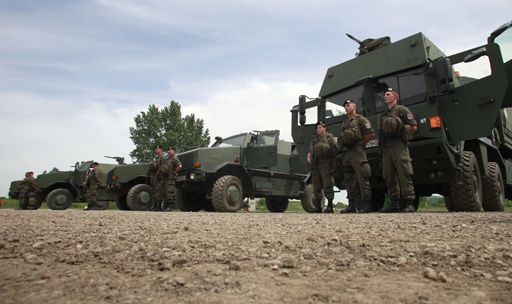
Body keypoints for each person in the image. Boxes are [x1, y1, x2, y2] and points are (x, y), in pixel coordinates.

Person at [379, 88, 417, 213]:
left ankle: (410, 202)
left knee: (404, 172)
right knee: (388, 175)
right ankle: (394, 203)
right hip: (387, 147)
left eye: (388, 94)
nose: (385, 96)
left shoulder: (402, 110)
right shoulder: (383, 115)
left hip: (399, 144)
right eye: (385, 95)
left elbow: (413, 127)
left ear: (395, 96)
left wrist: (400, 129)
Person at [338, 99, 375, 213]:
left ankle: (366, 204)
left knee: (362, 178)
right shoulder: (344, 122)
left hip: (358, 152)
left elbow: (370, 133)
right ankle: (351, 205)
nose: (346, 107)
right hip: (347, 153)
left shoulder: (360, 119)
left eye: (348, 105)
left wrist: (362, 144)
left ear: (354, 106)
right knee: (349, 180)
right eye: (345, 106)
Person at [307, 121, 338, 213]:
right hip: (316, 165)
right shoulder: (315, 140)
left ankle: (330, 206)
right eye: (317, 128)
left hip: (326, 164)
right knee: (316, 186)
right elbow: (311, 153)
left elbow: (335, 151)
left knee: (327, 184)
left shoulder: (330, 138)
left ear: (325, 128)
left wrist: (333, 165)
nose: (319, 129)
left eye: (320, 127)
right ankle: (318, 207)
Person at [161, 147, 182, 211]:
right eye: (168, 150)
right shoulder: (167, 159)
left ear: (174, 151)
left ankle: (170, 207)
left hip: (171, 178)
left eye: (171, 150)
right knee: (164, 191)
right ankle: (165, 206)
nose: (169, 151)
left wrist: (174, 172)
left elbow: (180, 166)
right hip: (165, 177)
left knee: (169, 191)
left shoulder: (174, 158)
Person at [148, 146, 166, 211]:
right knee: (154, 191)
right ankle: (155, 205)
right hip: (154, 177)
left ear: (161, 150)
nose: (156, 150)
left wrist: (159, 176)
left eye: (157, 149)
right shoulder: (155, 158)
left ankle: (159, 206)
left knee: (159, 191)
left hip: (159, 177)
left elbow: (162, 168)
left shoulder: (162, 158)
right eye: (155, 149)